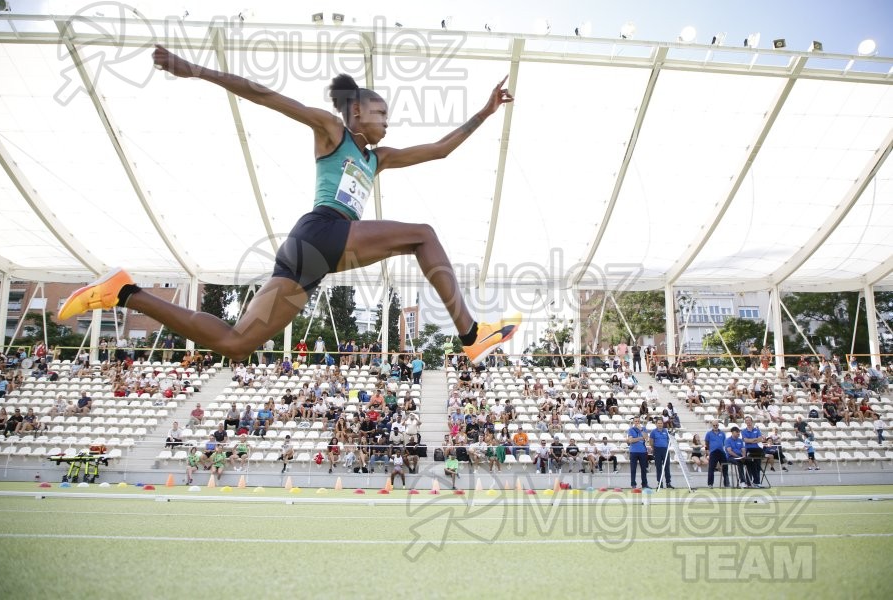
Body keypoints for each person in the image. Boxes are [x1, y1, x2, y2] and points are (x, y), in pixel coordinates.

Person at [58, 45, 521, 367]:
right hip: (322, 231)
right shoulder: (332, 131)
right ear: (356, 113)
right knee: (423, 234)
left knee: (236, 344)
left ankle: (124, 292)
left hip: (307, 260)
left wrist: (484, 112)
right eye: (382, 115)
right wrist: (193, 69)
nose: (388, 124)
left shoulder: (377, 159)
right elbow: (265, 96)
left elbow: (440, 149)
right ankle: (470, 335)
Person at [740, 416, 764, 487]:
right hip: (748, 449)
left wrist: (751, 440)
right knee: (749, 466)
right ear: (745, 422)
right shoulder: (743, 431)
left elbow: (760, 439)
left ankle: (757, 482)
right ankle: (748, 482)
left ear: (752, 421)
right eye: (746, 421)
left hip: (756, 449)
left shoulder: (756, 430)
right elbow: (745, 440)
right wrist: (754, 439)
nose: (748, 422)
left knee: (758, 466)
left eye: (749, 420)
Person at [649, 419, 673, 489]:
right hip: (657, 450)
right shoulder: (653, 432)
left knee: (667, 467)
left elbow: (669, 440)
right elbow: (651, 442)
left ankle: (668, 483)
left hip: (665, 450)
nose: (660, 424)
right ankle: (660, 483)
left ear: (663, 424)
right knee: (659, 467)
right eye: (658, 423)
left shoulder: (666, 431)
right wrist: (654, 448)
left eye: (661, 423)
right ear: (656, 424)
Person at [704, 421, 729, 488]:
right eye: (714, 425)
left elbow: (724, 443)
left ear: (718, 425)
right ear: (712, 426)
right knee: (711, 468)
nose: (715, 426)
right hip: (713, 452)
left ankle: (726, 484)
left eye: (716, 425)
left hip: (721, 451)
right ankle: (710, 484)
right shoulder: (709, 433)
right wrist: (707, 451)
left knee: (725, 468)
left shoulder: (722, 433)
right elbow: (706, 443)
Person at [627, 416, 649, 489]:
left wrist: (641, 430)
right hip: (633, 451)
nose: (637, 423)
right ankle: (633, 484)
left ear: (640, 422)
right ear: (633, 422)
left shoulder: (644, 429)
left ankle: (644, 484)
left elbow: (646, 438)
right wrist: (639, 438)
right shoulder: (631, 430)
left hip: (642, 451)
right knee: (633, 469)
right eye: (636, 421)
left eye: (638, 421)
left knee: (643, 469)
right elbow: (630, 440)